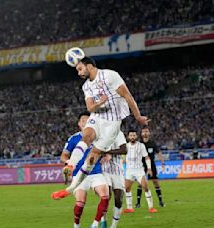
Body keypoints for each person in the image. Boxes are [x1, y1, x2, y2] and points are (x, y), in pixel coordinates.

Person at [52, 56, 149, 198]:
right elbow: (90, 107)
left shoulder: (110, 75)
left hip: (112, 123)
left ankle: (69, 189)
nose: (78, 73)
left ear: (89, 66)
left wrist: (138, 116)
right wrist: (101, 102)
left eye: (80, 69)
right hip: (97, 117)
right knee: (87, 136)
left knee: (92, 158)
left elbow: (127, 96)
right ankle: (71, 165)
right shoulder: (86, 86)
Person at [124, 130, 158, 213]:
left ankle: (151, 207)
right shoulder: (125, 146)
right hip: (129, 170)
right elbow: (122, 157)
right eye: (131, 135)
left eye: (134, 135)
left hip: (139, 170)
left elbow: (146, 157)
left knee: (145, 187)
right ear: (128, 137)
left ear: (136, 136)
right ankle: (129, 208)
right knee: (127, 188)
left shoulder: (141, 145)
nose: (132, 137)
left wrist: (149, 168)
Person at [100, 131, 127, 228]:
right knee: (107, 195)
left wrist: (108, 152)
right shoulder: (100, 133)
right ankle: (103, 220)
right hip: (104, 170)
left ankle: (113, 226)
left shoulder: (119, 133)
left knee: (118, 199)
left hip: (117, 171)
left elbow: (124, 150)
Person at [135, 126, 165, 208]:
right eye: (143, 131)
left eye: (146, 131)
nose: (145, 133)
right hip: (141, 165)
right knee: (140, 183)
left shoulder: (152, 143)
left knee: (155, 182)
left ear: (149, 133)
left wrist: (163, 163)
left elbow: (159, 153)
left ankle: (160, 201)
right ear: (141, 134)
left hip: (152, 165)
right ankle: (138, 203)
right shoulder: (139, 144)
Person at [60, 111, 91, 184]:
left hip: (97, 171)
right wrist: (69, 162)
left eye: (88, 121)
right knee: (80, 195)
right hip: (78, 172)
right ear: (79, 123)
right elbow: (63, 156)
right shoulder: (73, 138)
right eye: (83, 121)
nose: (85, 123)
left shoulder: (98, 137)